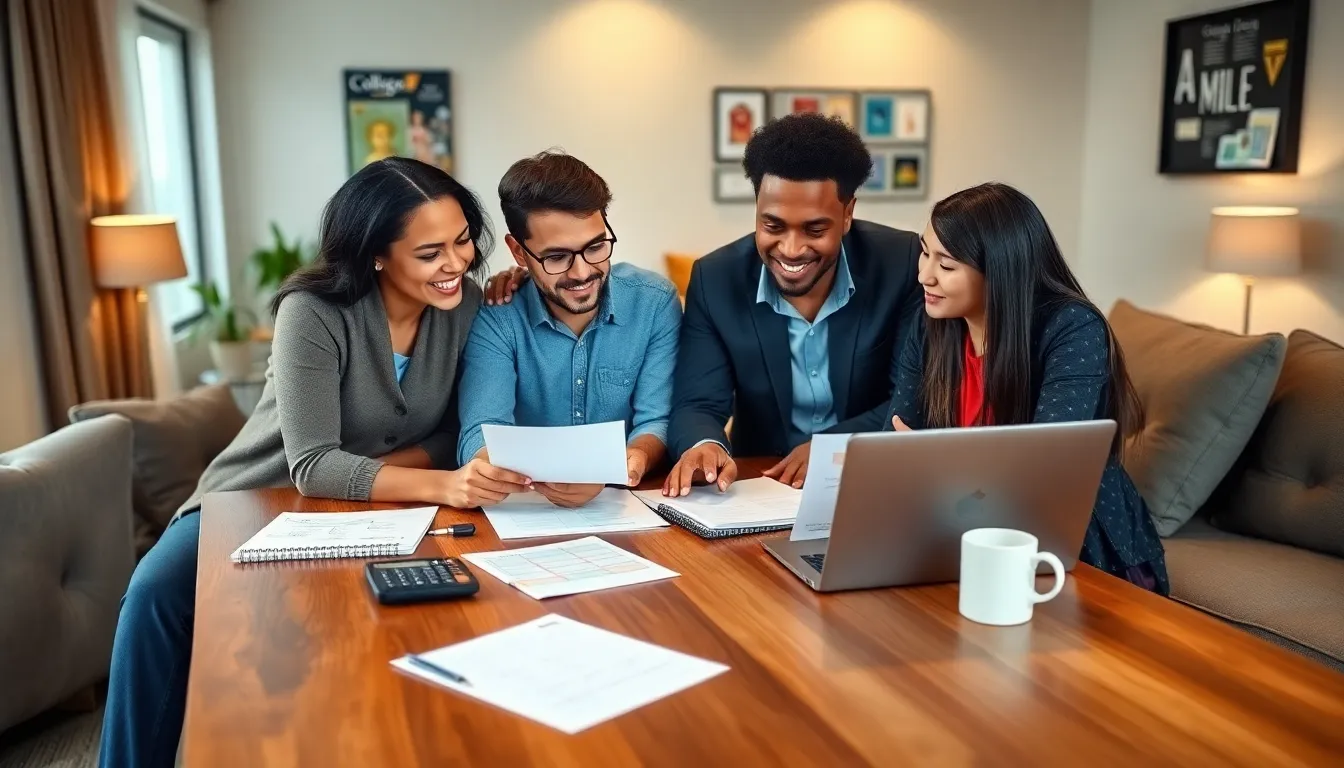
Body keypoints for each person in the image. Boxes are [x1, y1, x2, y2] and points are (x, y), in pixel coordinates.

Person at [98, 158, 529, 768]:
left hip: (384, 500)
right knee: (153, 593)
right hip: (259, 495)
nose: (456, 263)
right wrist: (442, 484)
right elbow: (311, 466)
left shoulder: (464, 309)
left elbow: (449, 429)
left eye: (462, 241)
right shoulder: (312, 311)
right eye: (429, 253)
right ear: (376, 255)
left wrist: (391, 469)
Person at [884, 182, 1168, 593]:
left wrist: (937, 469)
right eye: (925, 253)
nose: (923, 275)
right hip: (962, 531)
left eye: (946, 265)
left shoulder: (1073, 328)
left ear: (1000, 271)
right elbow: (895, 441)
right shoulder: (930, 326)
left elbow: (1041, 469)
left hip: (1073, 548)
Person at [663, 113, 924, 496]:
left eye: (814, 229)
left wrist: (830, 446)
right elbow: (697, 402)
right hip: (762, 481)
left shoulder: (902, 262)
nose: (791, 249)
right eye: (773, 226)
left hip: (873, 476)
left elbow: (914, 395)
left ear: (847, 214)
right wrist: (705, 445)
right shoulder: (715, 279)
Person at [457, 151, 681, 508]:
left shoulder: (654, 303)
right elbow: (481, 432)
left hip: (626, 506)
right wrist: (519, 475)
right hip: (526, 507)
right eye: (557, 257)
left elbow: (658, 420)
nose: (582, 273)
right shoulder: (498, 316)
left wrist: (626, 464)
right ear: (519, 252)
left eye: (596, 247)